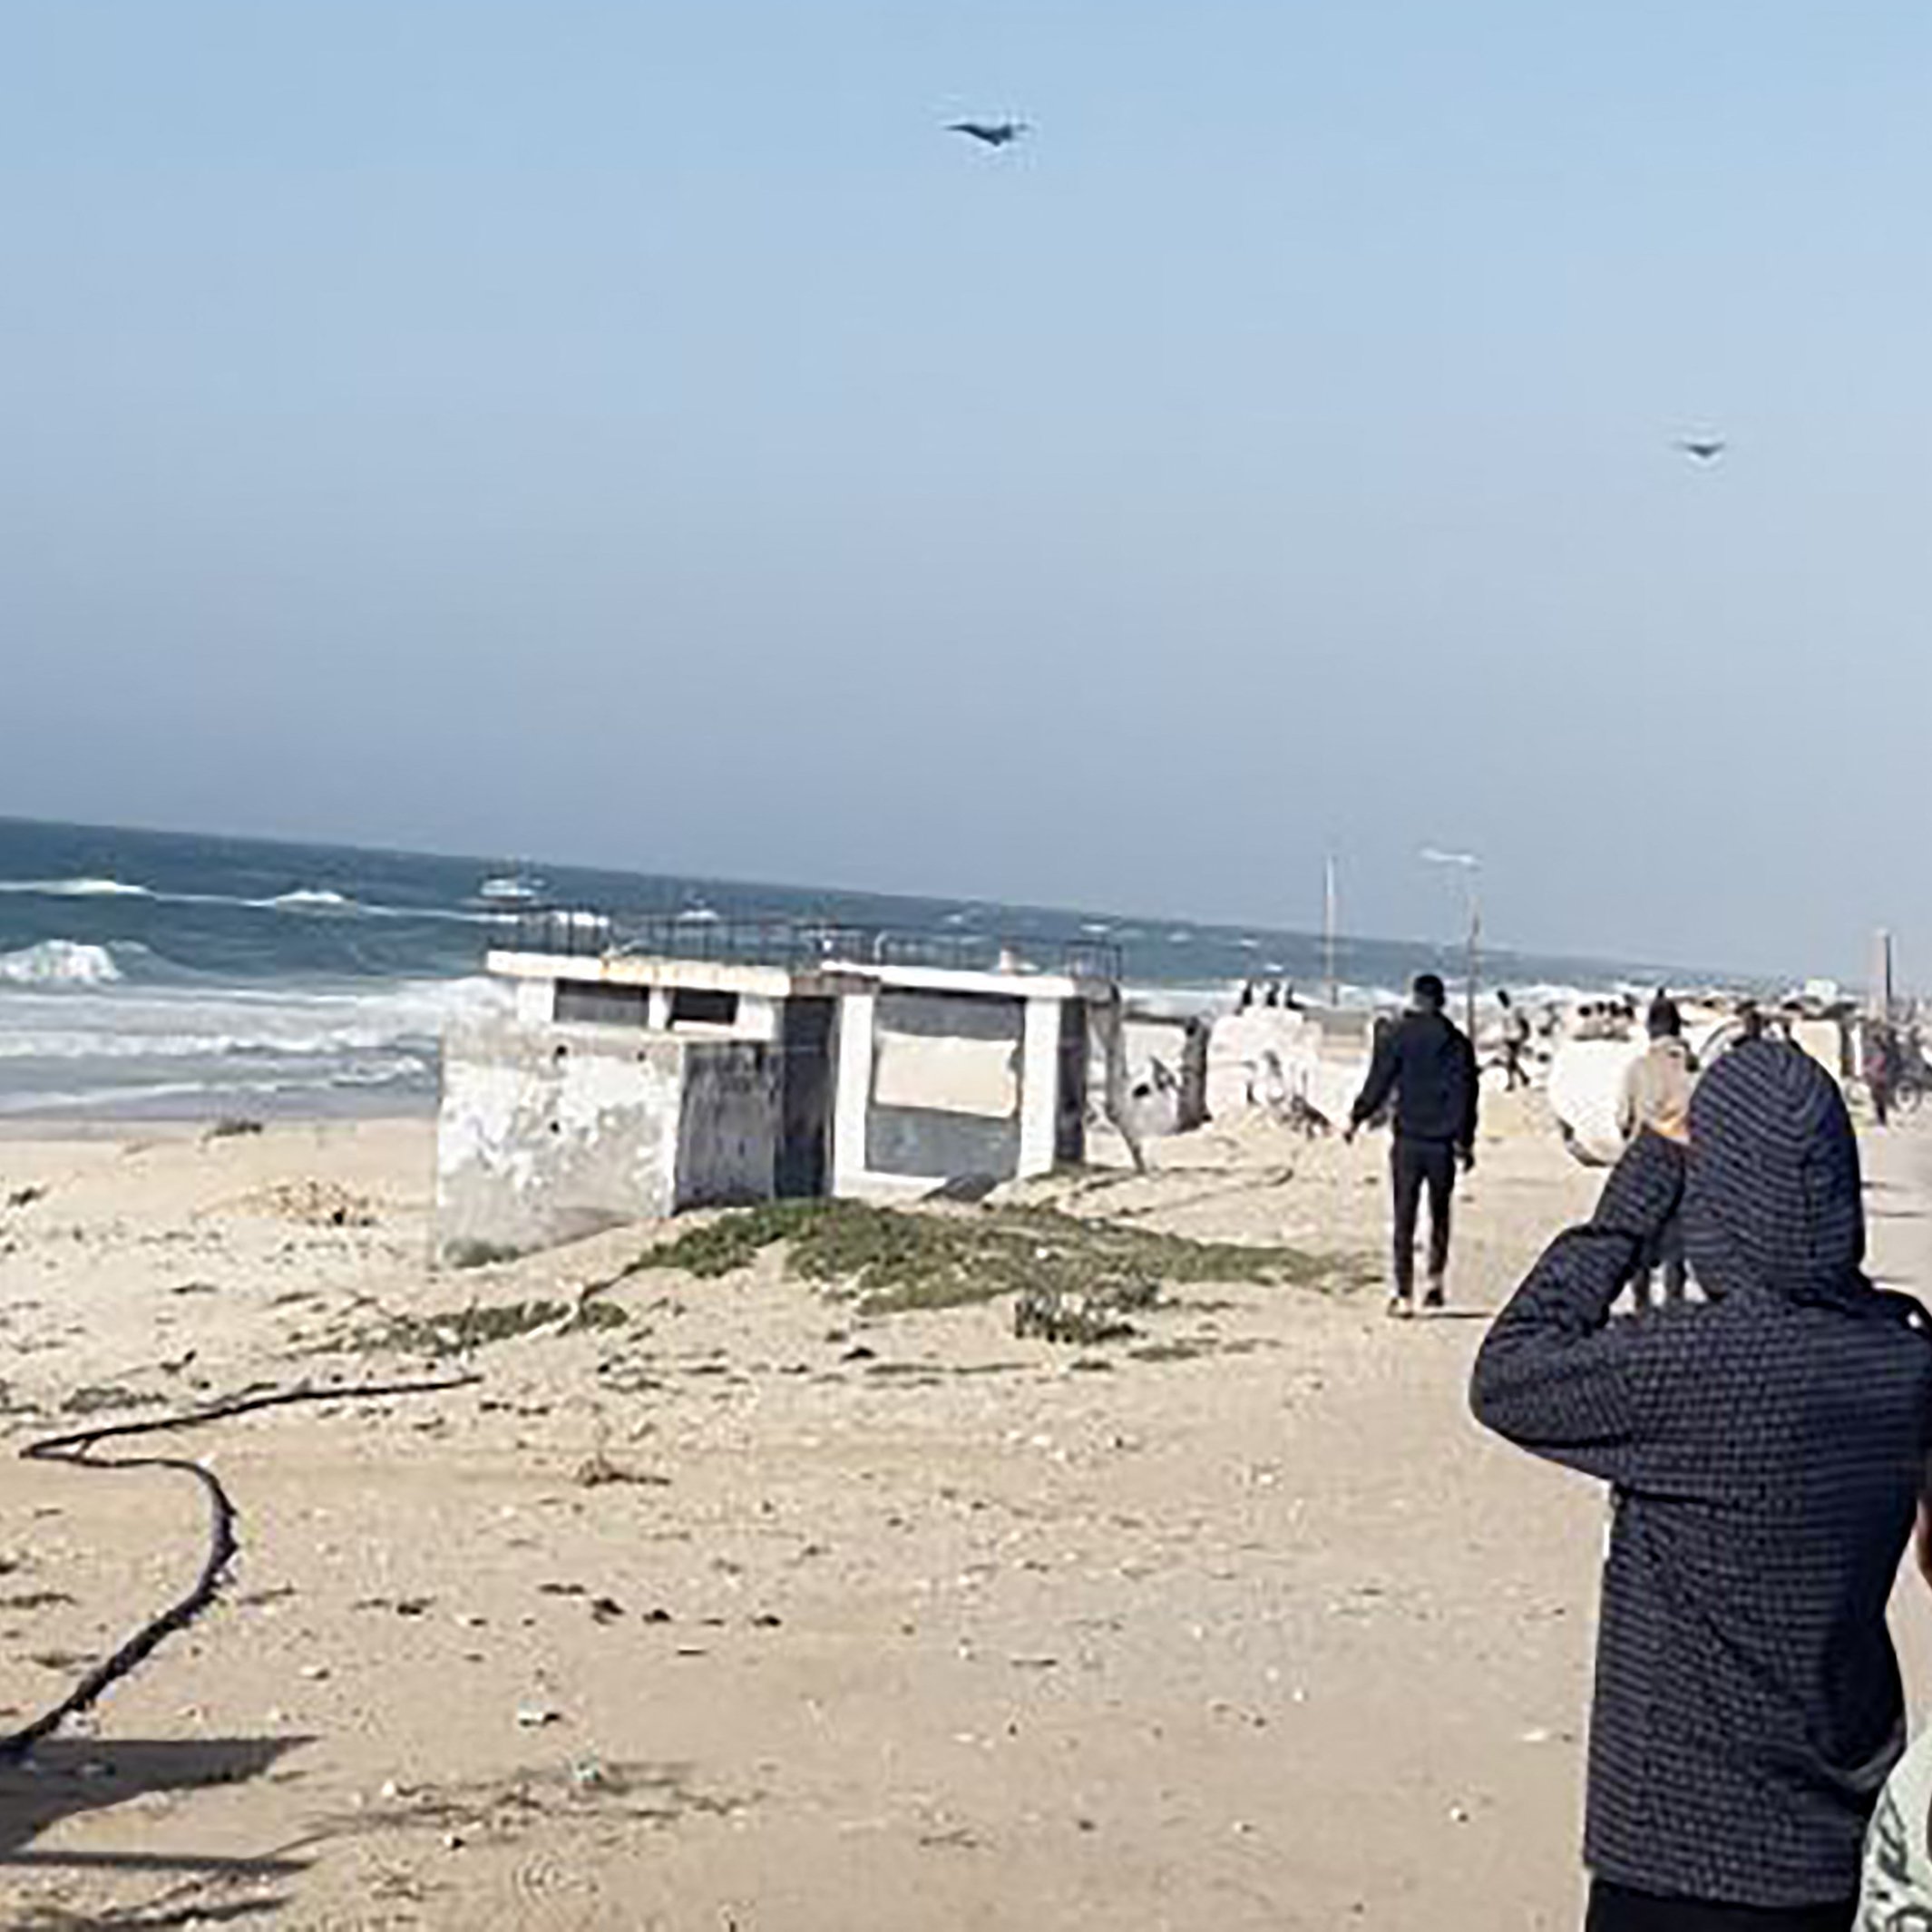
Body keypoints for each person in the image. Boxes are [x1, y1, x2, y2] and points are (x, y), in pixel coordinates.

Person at [1471, 1041, 1932, 1932]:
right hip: (1841, 1826)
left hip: (1674, 1842)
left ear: (1717, 1200)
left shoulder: (1685, 1367)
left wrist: (1639, 1184)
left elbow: (1508, 1370)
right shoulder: (1905, 1359)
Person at [1344, 973, 1478, 1317]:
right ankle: (1434, 1280)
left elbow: (1379, 1081)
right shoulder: (1458, 1043)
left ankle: (1403, 1295)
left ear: (1416, 998)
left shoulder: (1399, 1036)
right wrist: (1466, 1142)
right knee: (1440, 1214)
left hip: (1408, 1140)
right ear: (1442, 1001)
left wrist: (1357, 1117)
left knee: (1404, 1216)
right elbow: (1467, 1097)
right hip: (1443, 1143)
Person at [1616, 995, 1695, 1306]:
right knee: (1676, 1245)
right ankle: (1673, 1303)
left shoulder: (1638, 1069)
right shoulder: (1693, 1069)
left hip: (1645, 1160)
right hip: (1684, 1160)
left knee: (1642, 1240)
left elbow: (1622, 1117)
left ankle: (1642, 1304)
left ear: (1650, 1029)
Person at [1498, 988, 1532, 1091]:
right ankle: (1524, 1078)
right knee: (1511, 1062)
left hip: (1517, 1038)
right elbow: (1506, 1026)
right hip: (1509, 1038)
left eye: (1503, 998)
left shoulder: (1515, 1010)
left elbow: (1524, 1023)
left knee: (1510, 1062)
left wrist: (1525, 1036)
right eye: (1501, 999)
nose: (1502, 1001)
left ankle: (1513, 1083)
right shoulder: (1504, 1011)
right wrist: (1504, 1038)